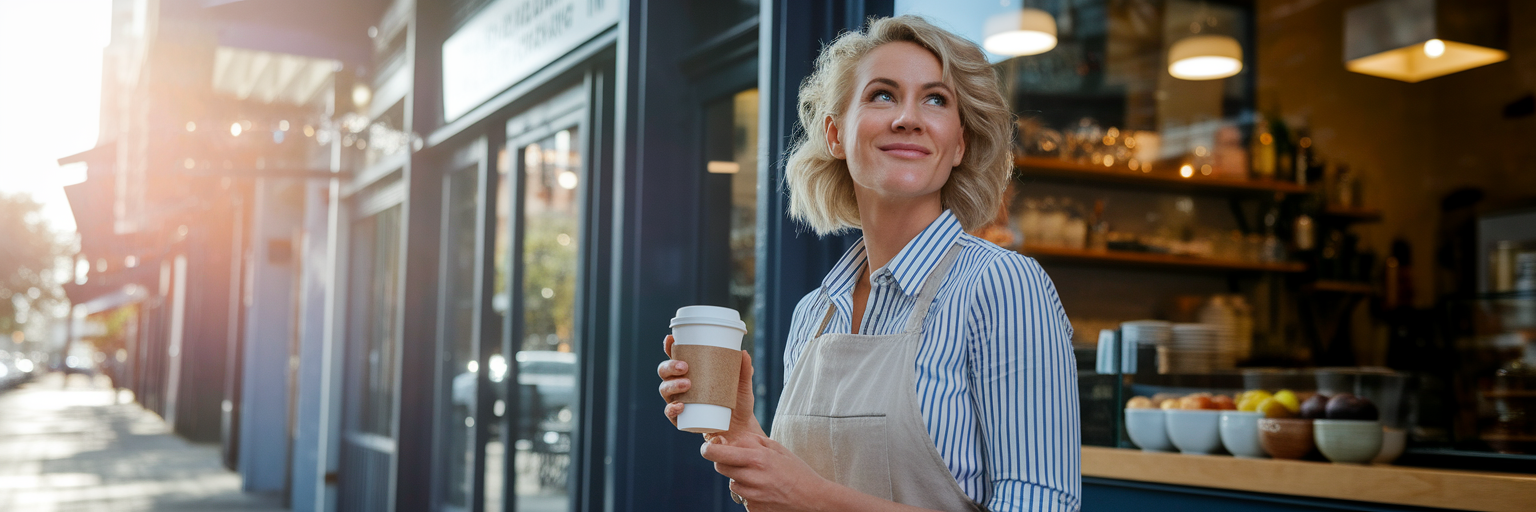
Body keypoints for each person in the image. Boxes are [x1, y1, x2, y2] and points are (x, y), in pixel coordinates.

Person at [658, 15, 1080, 512]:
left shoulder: (1002, 286)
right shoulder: (815, 314)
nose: (908, 117)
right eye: (882, 95)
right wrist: (743, 435)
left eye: (936, 99)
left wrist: (811, 497)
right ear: (835, 135)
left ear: (959, 144)